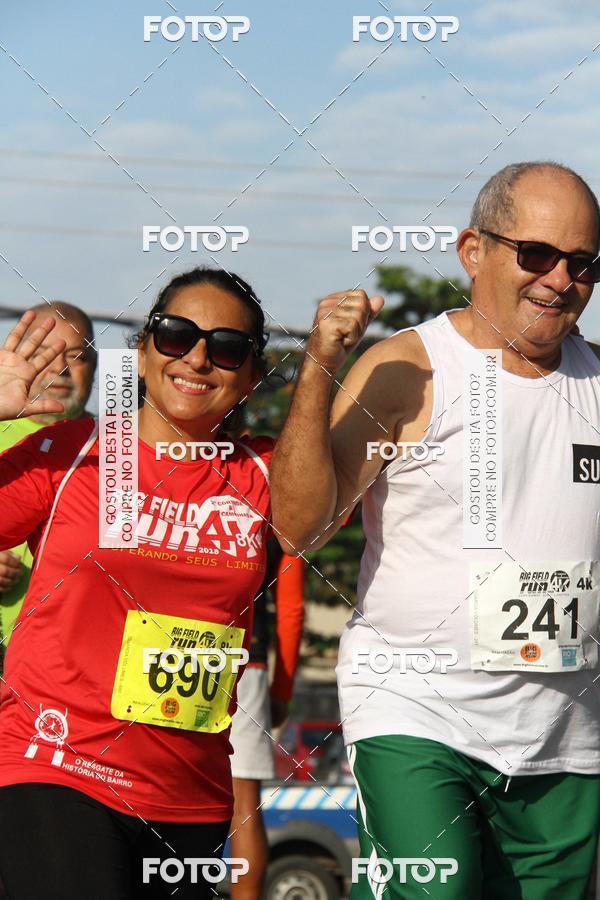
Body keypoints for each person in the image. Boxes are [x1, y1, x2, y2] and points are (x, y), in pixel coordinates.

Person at [270, 161, 600, 898]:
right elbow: (297, 530)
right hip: (417, 717)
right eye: (537, 254)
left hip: (565, 738)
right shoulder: (407, 370)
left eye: (583, 264)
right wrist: (320, 366)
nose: (559, 280)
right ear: (473, 251)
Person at [0, 267, 277, 899]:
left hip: (190, 797)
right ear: (145, 352)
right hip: (55, 766)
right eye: (177, 335)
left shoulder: (266, 472)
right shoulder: (74, 452)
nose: (199, 358)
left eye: (227, 347)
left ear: (251, 376)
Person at [0, 301, 97, 675]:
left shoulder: (119, 450)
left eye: (77, 356)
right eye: (45, 353)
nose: (61, 369)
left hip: (69, 668)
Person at [229, 537, 304, 900]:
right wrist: (281, 691)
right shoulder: (282, 497)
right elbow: (291, 609)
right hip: (247, 658)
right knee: (244, 803)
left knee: (166, 789)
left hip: (170, 650)